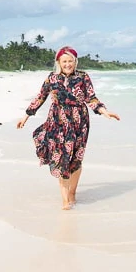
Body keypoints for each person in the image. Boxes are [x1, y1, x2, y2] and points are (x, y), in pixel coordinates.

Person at [16, 46, 120, 209]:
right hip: (58, 121)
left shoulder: (83, 77)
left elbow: (91, 98)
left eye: (70, 61)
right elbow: (40, 97)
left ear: (75, 62)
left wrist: (104, 111)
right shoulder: (52, 78)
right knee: (61, 158)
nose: (68, 64)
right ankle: (65, 200)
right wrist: (26, 116)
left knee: (76, 160)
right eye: (64, 61)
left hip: (80, 122)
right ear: (59, 62)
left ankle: (73, 193)